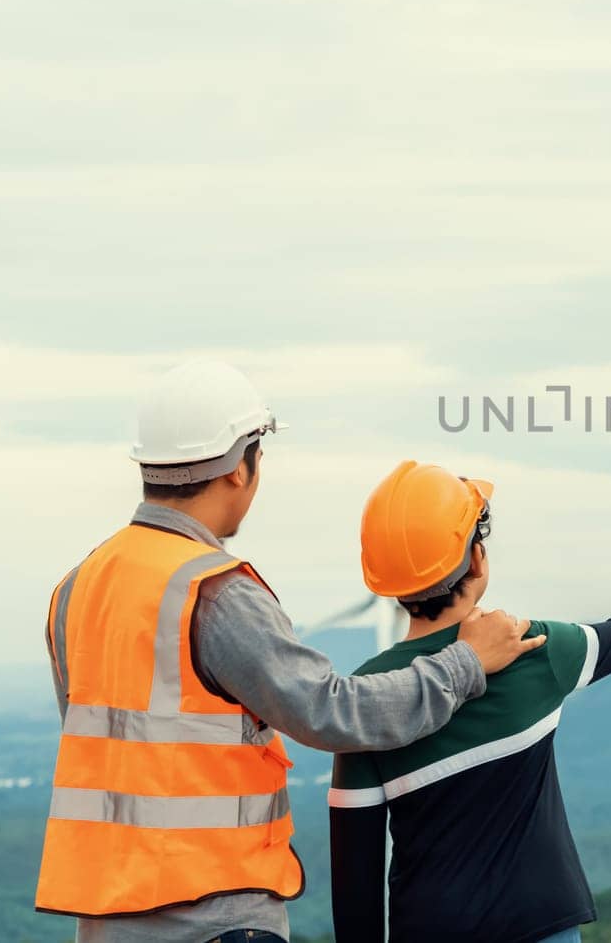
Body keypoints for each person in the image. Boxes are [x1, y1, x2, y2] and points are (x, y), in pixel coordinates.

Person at [35, 362, 544, 943]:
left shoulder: (78, 587)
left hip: (107, 922)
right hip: (214, 917)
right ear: (239, 466)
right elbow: (332, 712)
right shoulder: (213, 591)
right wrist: (467, 663)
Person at [327, 460, 611, 943]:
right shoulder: (534, 650)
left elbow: (354, 866)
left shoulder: (365, 697)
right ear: (478, 559)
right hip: (542, 924)